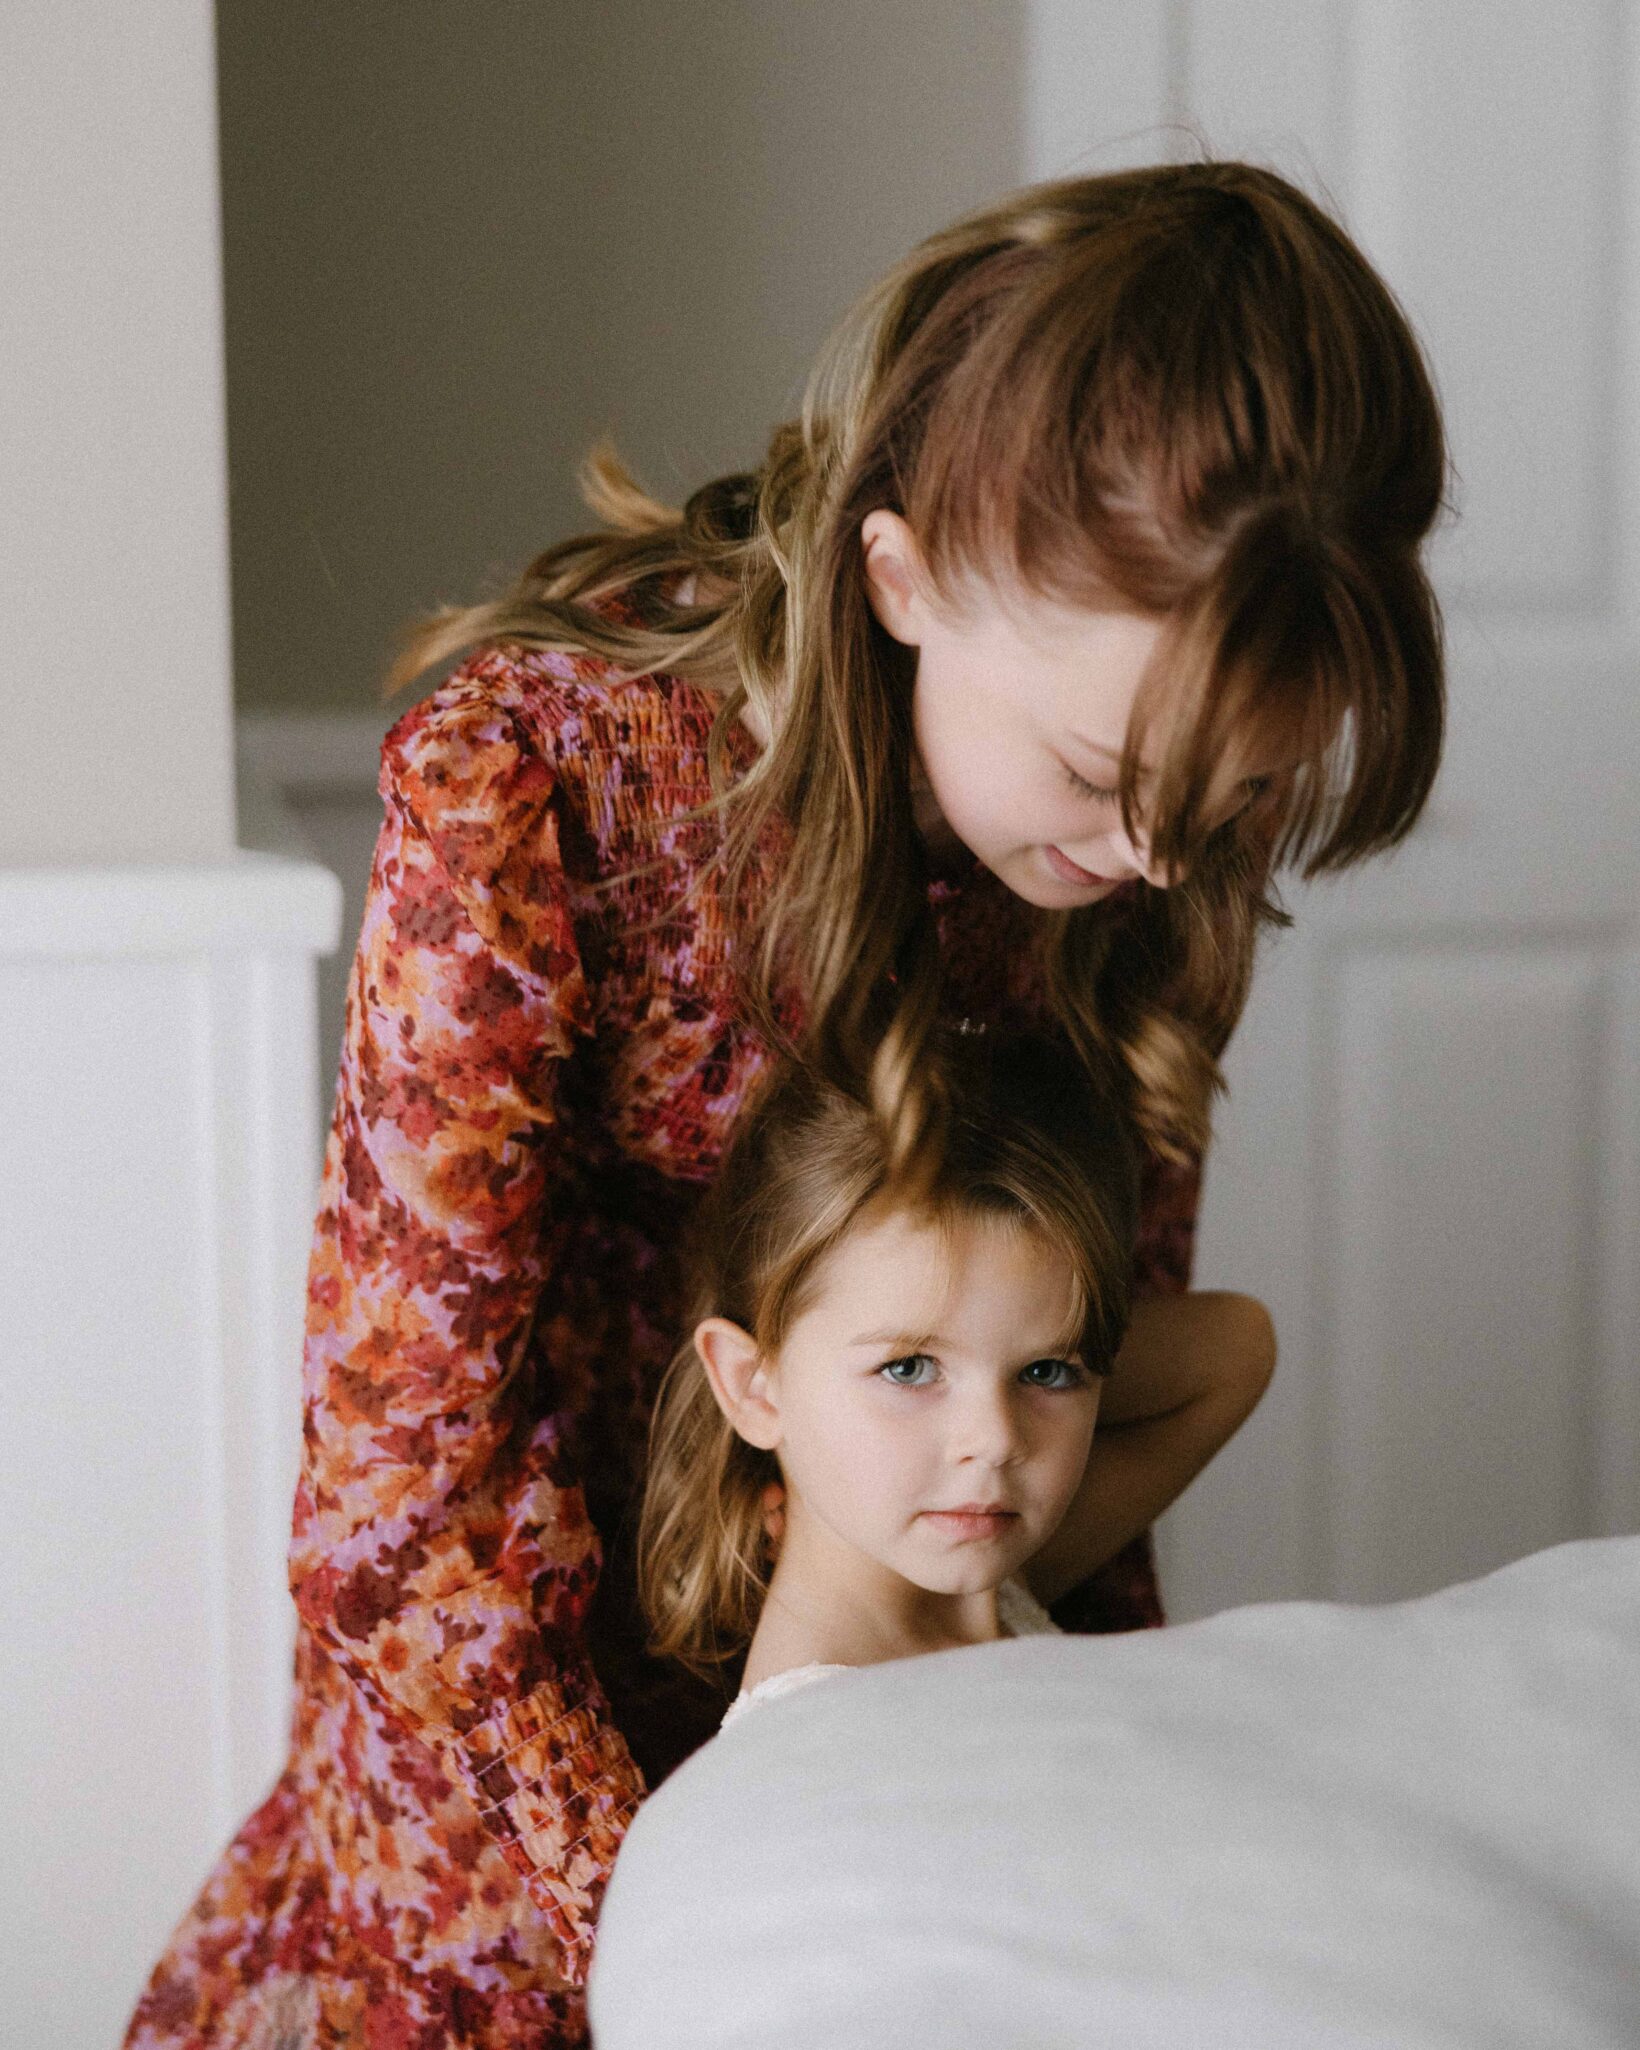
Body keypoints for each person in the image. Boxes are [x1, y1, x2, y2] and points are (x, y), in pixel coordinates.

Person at [125, 159, 1446, 2049]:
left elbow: (1077, 1382)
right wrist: (695, 1894)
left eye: (1224, 800)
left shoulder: (1146, 872)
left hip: (894, 1733)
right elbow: (399, 1507)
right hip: (518, 1774)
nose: (1159, 850)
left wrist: (1027, 1737)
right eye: (1098, 766)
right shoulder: (547, 782)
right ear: (903, 580)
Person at [639, 1032, 1276, 1725]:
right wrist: (1036, 1363)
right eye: (909, 1369)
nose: (998, 1439)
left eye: (1047, 1369)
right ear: (754, 1388)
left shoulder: (978, 1576)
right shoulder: (828, 1748)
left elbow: (1240, 1347)